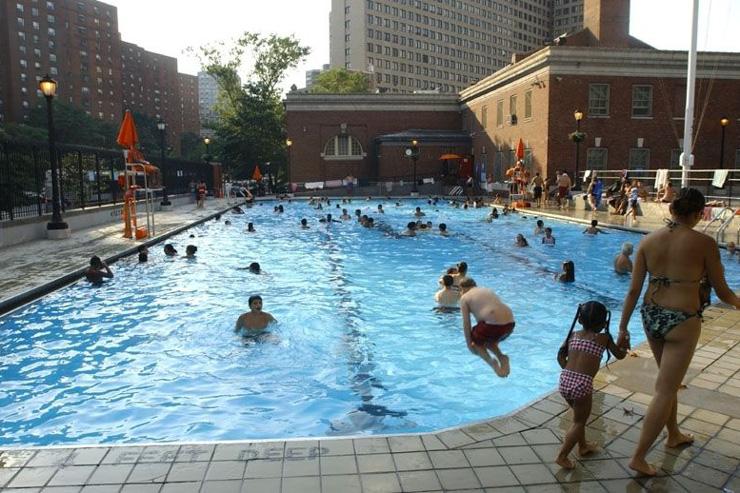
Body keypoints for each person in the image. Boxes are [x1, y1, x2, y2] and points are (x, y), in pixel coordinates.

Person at [617, 188, 740, 476]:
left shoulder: (648, 241)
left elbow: (634, 290)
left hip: (651, 316)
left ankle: (673, 434)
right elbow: (723, 292)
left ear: (672, 210)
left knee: (666, 381)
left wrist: (622, 327)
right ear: (698, 213)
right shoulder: (705, 243)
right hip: (682, 320)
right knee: (665, 388)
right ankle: (638, 457)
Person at [555, 302, 627, 469]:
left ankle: (583, 446)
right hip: (582, 384)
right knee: (579, 422)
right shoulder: (604, 338)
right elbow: (620, 355)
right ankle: (562, 456)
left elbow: (560, 358)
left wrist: (572, 373)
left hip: (565, 380)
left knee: (578, 418)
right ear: (603, 323)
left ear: (580, 319)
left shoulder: (573, 335)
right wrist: (623, 343)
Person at [459, 278, 514, 377]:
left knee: (476, 342)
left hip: (492, 325)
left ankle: (492, 362)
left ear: (462, 289)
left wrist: (469, 344)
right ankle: (501, 357)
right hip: (510, 324)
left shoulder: (465, 297)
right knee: (487, 340)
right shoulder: (486, 290)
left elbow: (466, 323)